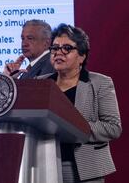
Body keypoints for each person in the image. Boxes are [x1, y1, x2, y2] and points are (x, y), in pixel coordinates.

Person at [39, 23, 122, 182]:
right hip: (44, 166)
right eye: (55, 48)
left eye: (67, 49)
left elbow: (113, 127)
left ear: (82, 56)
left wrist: (73, 126)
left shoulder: (100, 83)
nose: (58, 53)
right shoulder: (41, 84)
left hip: (85, 169)